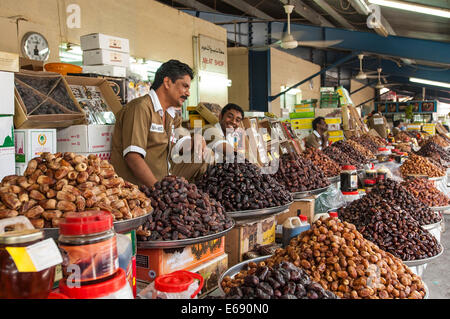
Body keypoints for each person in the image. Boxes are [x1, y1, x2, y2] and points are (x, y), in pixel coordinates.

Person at [110, 59, 206, 187]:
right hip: (140, 188)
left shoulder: (171, 114)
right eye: (184, 86)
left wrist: (196, 140)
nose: (188, 93)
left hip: (164, 179)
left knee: (206, 155)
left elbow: (181, 145)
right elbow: (133, 157)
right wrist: (158, 191)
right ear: (167, 82)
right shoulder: (141, 108)